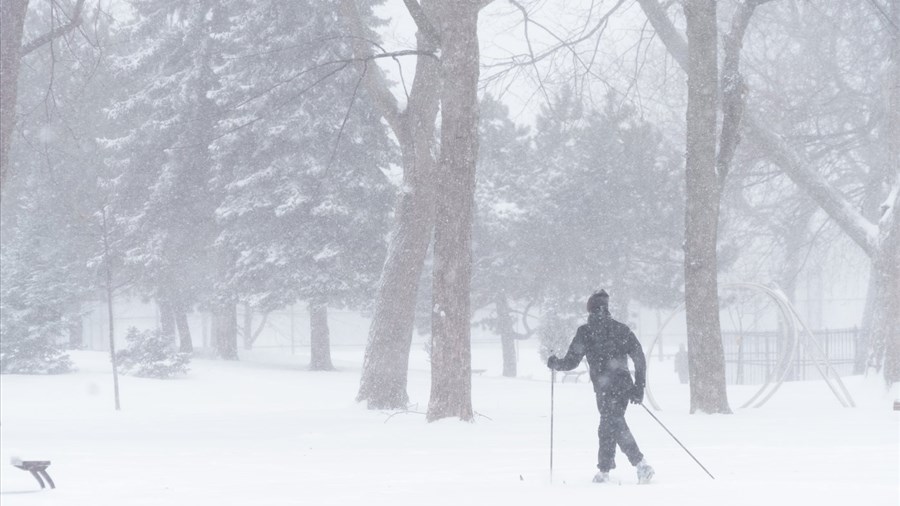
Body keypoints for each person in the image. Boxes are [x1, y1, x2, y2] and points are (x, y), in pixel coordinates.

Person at [547, 290, 654, 484]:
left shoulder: (586, 332)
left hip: (605, 390)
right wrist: (638, 387)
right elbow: (639, 359)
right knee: (608, 426)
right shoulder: (621, 329)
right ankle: (604, 472)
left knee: (613, 424)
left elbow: (572, 361)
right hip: (623, 388)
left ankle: (641, 464)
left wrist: (556, 363)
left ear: (590, 310)